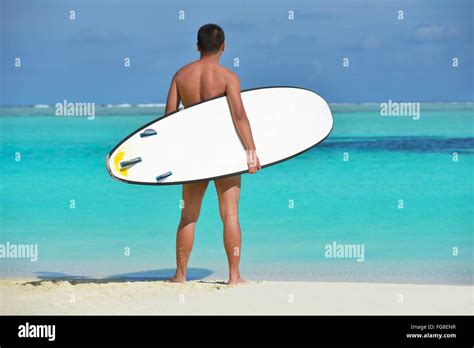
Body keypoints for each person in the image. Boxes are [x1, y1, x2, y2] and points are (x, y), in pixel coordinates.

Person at [165, 23, 261, 285]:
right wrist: (251, 152)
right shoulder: (228, 78)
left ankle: (180, 275)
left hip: (193, 156)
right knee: (229, 215)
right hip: (224, 154)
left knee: (188, 216)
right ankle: (233, 276)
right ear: (224, 46)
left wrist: (171, 157)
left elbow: (168, 120)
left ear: (197, 46)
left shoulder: (180, 76)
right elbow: (239, 116)